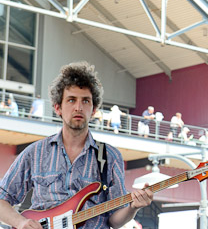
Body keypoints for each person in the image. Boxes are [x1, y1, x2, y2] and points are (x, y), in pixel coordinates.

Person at [0, 61, 153, 229]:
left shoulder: (109, 156)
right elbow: (2, 199)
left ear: (94, 110)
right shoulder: (35, 153)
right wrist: (21, 222)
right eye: (71, 100)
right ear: (58, 108)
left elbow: (115, 221)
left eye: (86, 101)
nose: (79, 107)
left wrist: (133, 207)